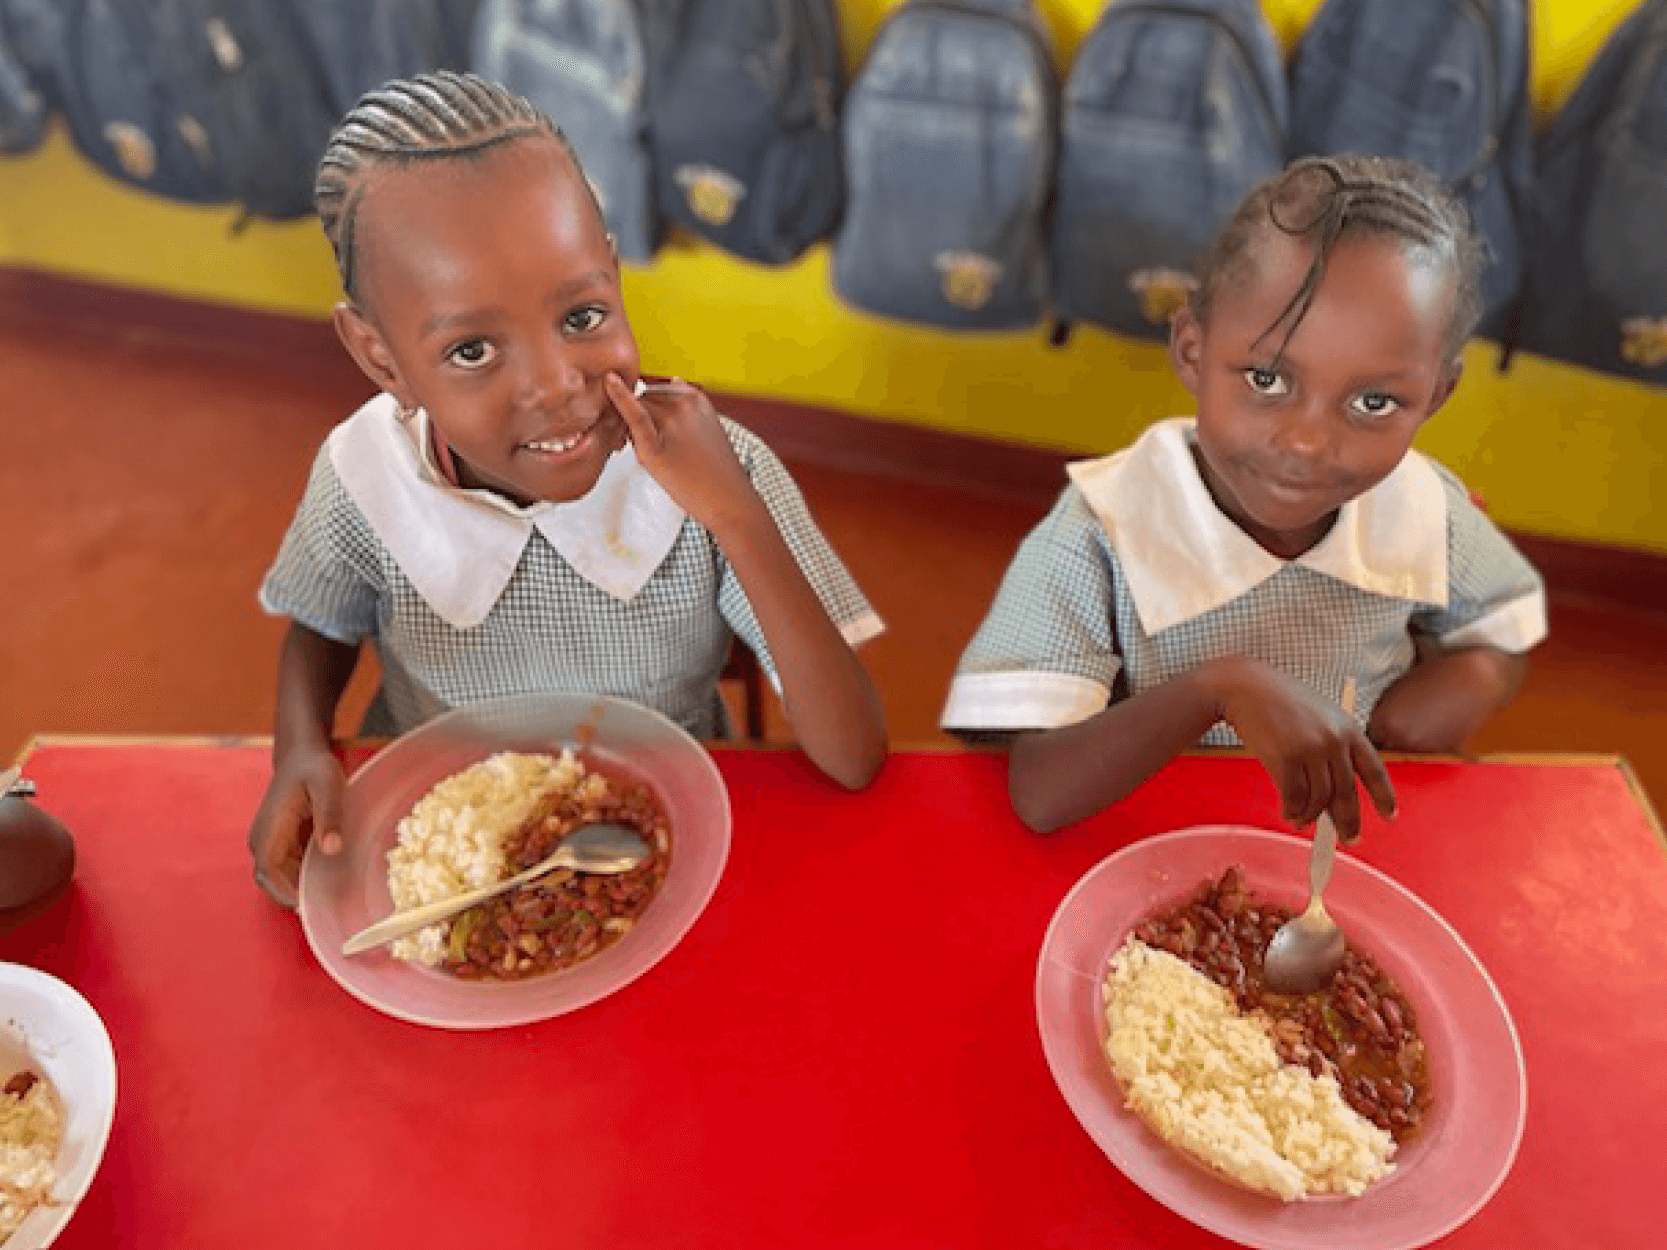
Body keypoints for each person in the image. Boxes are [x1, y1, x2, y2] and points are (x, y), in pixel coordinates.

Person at [248, 72, 887, 905]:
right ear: (380, 359)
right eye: (473, 350)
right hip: (442, 829)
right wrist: (297, 746)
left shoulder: (712, 469)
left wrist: (735, 516)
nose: (555, 386)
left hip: (668, 817)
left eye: (582, 316)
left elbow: (853, 754)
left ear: (614, 279)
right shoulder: (361, 476)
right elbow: (322, 625)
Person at [941, 154, 1546, 838]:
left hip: (1331, 856)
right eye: (1265, 380)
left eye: (1373, 401)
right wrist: (1219, 688)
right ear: (1191, 350)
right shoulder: (1099, 530)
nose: (1307, 441)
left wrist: (1476, 677)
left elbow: (1501, 627)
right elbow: (1038, 791)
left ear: (1436, 395)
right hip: (1141, 853)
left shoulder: (1423, 507)